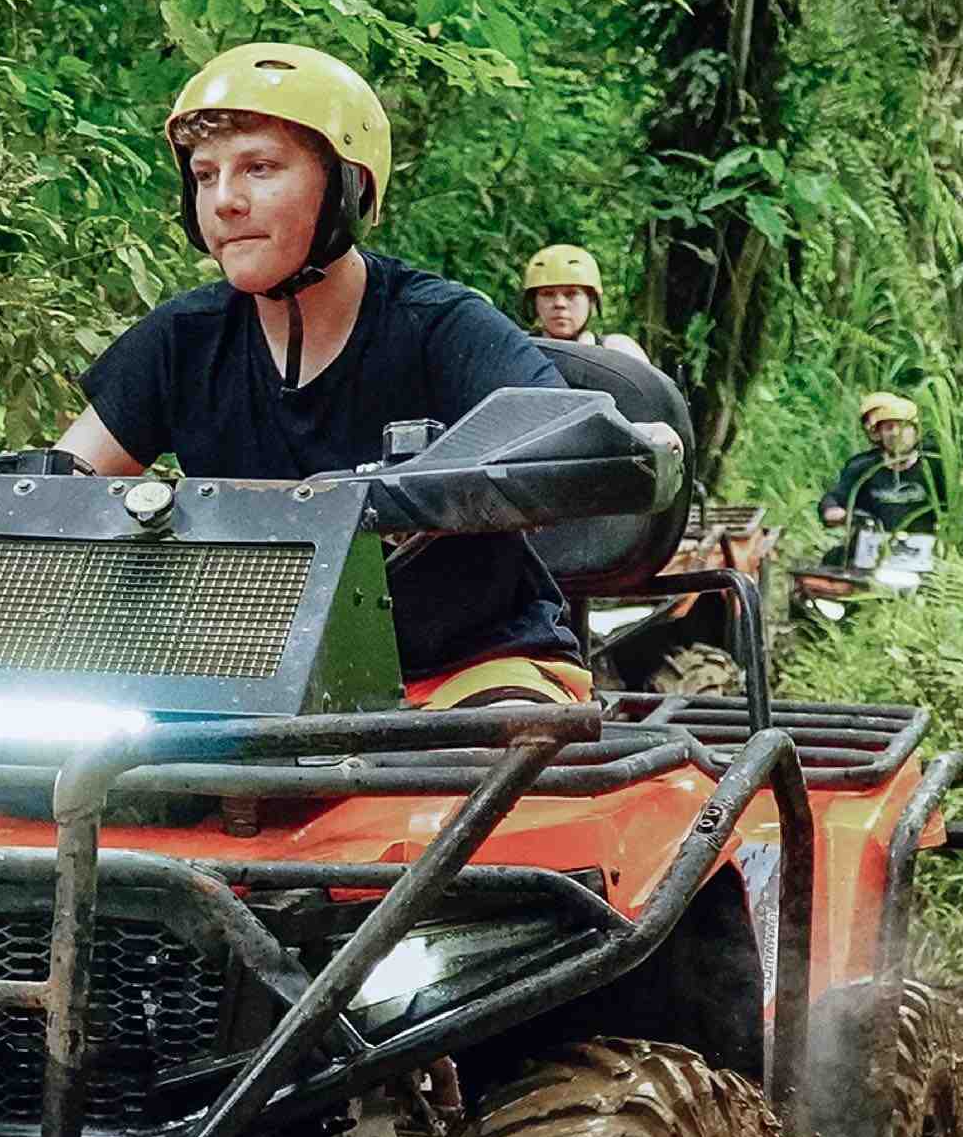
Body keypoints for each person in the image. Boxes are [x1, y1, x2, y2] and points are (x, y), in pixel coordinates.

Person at [58, 44, 689, 696]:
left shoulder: (440, 324)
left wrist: (454, 484)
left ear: (347, 186)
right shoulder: (180, 340)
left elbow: (558, 433)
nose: (225, 200)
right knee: (64, 777)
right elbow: (55, 489)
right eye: (205, 175)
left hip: (466, 672)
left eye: (260, 168)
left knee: (495, 766)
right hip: (251, 680)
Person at [819, 393, 938, 549]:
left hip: (925, 548)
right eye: (888, 427)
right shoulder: (863, 467)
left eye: (902, 426)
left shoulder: (934, 464)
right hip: (873, 546)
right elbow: (836, 496)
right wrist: (834, 511)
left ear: (916, 431)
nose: (895, 433)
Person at [524, 240, 656, 368]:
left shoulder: (618, 350)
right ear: (534, 301)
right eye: (547, 294)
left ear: (591, 300)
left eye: (571, 294)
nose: (559, 303)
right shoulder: (517, 352)